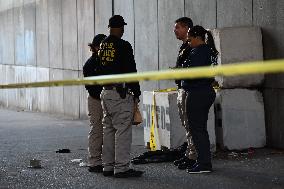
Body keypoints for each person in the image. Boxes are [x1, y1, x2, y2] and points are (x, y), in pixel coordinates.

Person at [98, 15, 143, 178]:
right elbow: (131, 70)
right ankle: (122, 167)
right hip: (119, 94)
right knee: (122, 131)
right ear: (120, 28)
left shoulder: (103, 45)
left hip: (105, 92)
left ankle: (108, 166)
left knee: (108, 130)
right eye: (122, 27)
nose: (123, 30)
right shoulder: (123, 45)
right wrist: (136, 92)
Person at [181, 25, 218, 173]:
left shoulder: (198, 52)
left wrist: (181, 71)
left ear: (197, 37)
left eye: (190, 38)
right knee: (200, 129)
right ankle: (203, 161)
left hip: (197, 92)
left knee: (197, 130)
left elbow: (191, 73)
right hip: (206, 91)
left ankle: (204, 164)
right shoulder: (209, 50)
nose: (188, 41)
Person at [172, 17, 197, 170]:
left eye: (177, 27)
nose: (174, 30)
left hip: (190, 90)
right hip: (183, 88)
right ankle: (189, 153)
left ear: (187, 28)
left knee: (192, 125)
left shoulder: (192, 46)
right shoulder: (184, 46)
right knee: (187, 125)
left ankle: (193, 156)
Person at [83, 34, 106, 173]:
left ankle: (107, 161)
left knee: (108, 131)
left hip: (105, 98)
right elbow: (92, 89)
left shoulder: (105, 62)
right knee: (97, 130)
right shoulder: (90, 64)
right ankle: (95, 161)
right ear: (95, 48)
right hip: (96, 100)